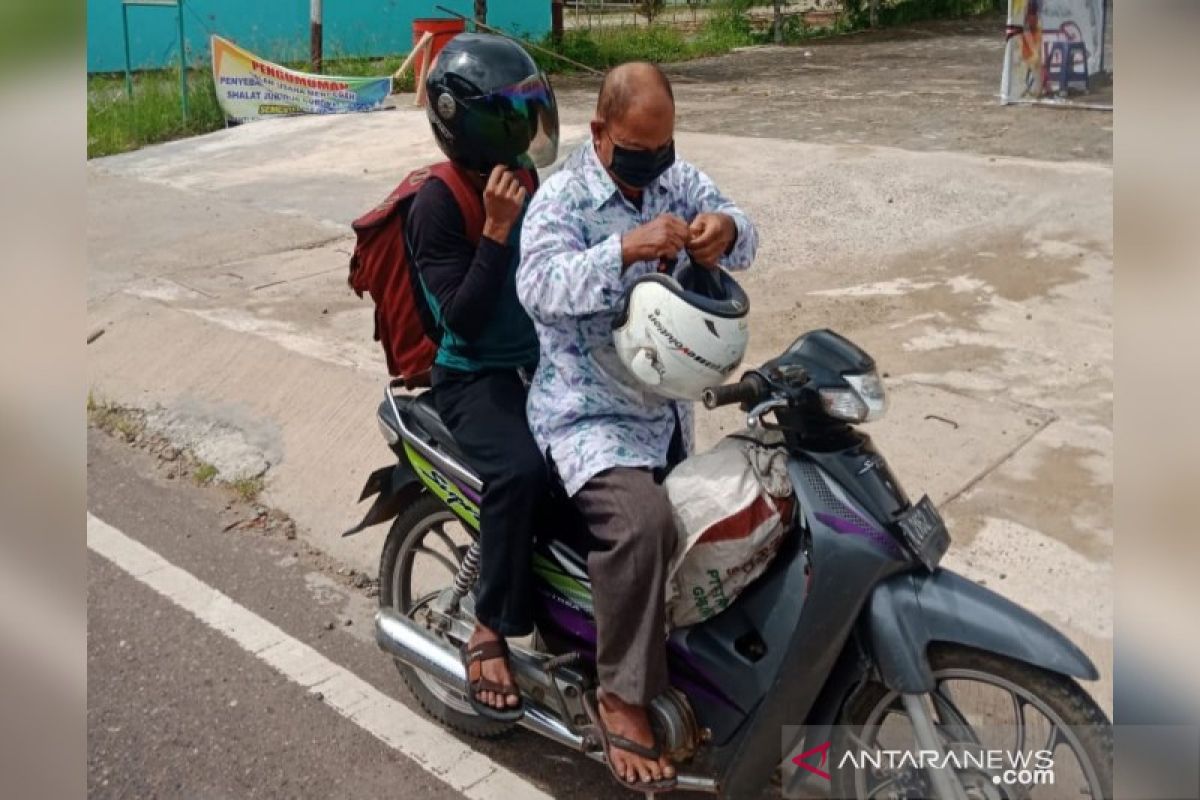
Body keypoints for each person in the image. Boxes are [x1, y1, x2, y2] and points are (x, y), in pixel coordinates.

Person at [516, 62, 758, 787]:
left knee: (731, 512)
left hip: (667, 412)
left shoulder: (678, 183)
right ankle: (620, 695)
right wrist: (622, 248)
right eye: (638, 149)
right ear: (599, 133)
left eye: (663, 148)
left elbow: (744, 232)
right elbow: (538, 286)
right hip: (587, 413)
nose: (652, 165)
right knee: (646, 524)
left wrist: (724, 231)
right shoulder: (561, 201)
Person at [407, 32, 559, 721]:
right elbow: (460, 322)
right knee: (521, 472)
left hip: (536, 365)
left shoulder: (525, 176)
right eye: (511, 111)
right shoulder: (438, 202)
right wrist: (495, 231)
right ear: (463, 117)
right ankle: (489, 628)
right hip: (471, 378)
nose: (525, 124)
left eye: (530, 108)